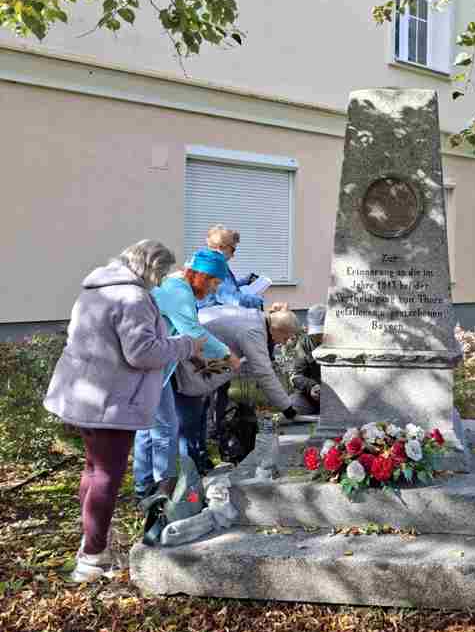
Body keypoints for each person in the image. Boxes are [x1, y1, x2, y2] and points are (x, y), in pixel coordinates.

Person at [43, 240, 202, 583]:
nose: (160, 281)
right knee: (106, 474)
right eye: (161, 274)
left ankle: (90, 542)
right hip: (110, 400)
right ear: (152, 267)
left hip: (83, 395)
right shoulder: (133, 297)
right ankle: (92, 557)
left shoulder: (95, 289)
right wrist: (186, 345)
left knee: (93, 469)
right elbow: (142, 353)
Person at [137, 249, 240, 483]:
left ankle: (145, 486)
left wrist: (199, 360)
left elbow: (178, 331)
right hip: (148, 367)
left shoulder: (175, 285)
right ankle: (164, 490)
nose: (214, 290)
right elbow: (193, 332)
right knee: (166, 428)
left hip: (149, 364)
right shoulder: (179, 292)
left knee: (148, 429)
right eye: (214, 283)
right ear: (200, 276)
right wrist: (228, 355)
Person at [199, 303, 305, 441]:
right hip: (193, 354)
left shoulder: (256, 318)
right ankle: (201, 443)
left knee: (208, 401)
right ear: (275, 329)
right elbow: (264, 374)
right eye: (285, 338)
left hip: (202, 348)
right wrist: (288, 409)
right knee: (196, 408)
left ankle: (210, 437)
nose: (284, 343)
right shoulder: (254, 332)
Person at [197, 225, 265, 310]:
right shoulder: (215, 267)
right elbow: (235, 299)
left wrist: (244, 281)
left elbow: (225, 287)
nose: (233, 255)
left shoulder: (207, 261)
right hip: (213, 313)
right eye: (232, 250)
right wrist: (259, 300)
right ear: (221, 247)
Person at [288, 304, 326, 416]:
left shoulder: (340, 342)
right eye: (316, 333)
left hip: (337, 397)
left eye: (322, 332)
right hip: (310, 396)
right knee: (290, 407)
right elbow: (295, 376)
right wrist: (311, 386)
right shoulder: (303, 344)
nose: (319, 336)